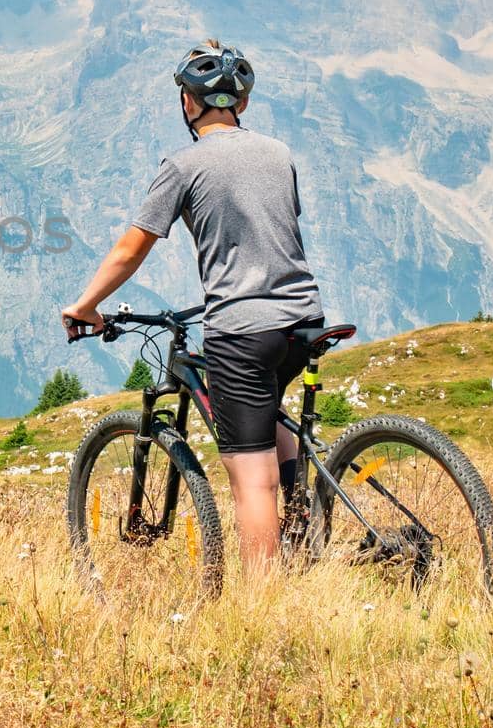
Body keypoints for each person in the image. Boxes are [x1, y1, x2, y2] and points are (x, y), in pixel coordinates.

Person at [60, 39, 324, 572]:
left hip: (243, 330)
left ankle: (267, 605)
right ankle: (302, 543)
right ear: (242, 104)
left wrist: (85, 305)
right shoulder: (279, 153)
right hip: (303, 319)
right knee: (269, 419)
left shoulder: (182, 166)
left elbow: (132, 248)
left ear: (188, 103)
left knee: (252, 479)